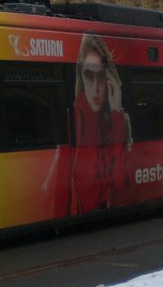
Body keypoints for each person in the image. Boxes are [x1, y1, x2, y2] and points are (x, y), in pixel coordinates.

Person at [44, 33, 132, 216]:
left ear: (109, 80)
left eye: (101, 77)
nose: (95, 86)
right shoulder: (71, 121)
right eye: (88, 75)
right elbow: (65, 200)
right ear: (81, 77)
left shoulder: (120, 121)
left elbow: (120, 188)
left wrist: (116, 115)